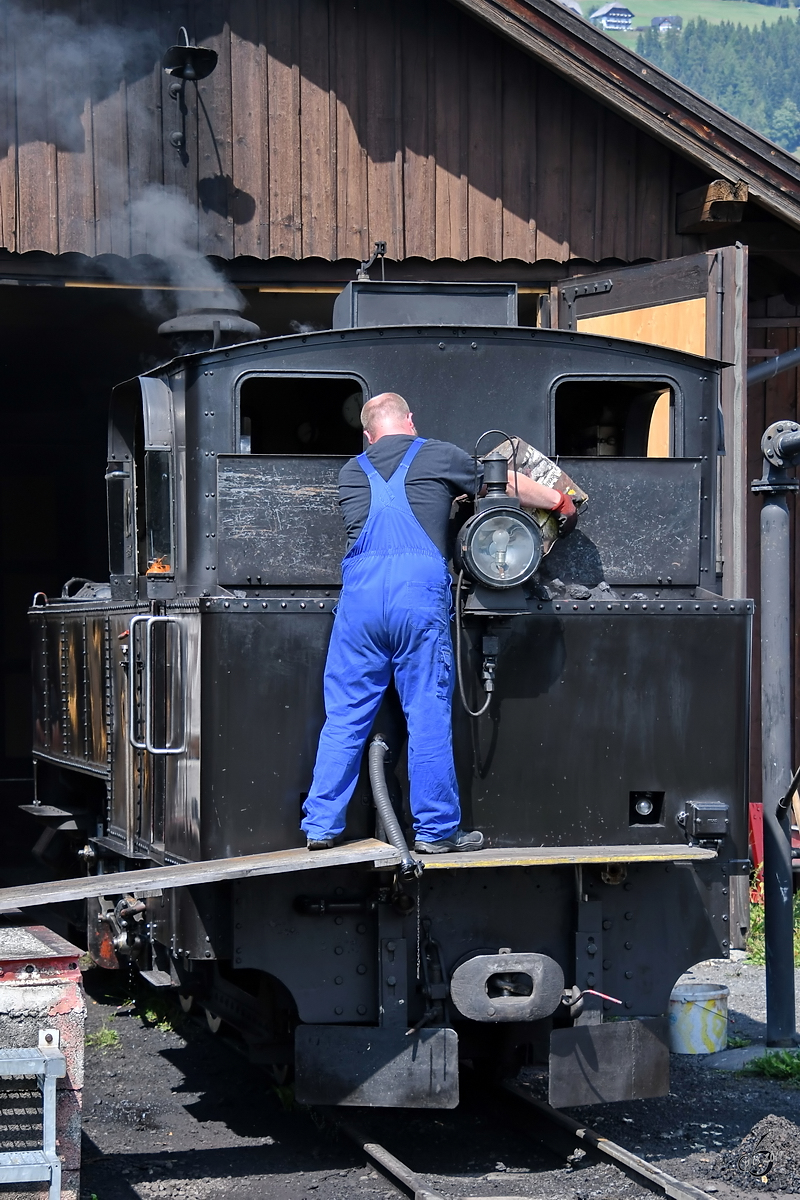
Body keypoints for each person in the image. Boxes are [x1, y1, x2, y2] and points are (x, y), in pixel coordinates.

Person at [300, 392, 575, 854]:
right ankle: (435, 832)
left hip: (360, 605)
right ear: (410, 422)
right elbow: (502, 482)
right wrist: (559, 501)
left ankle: (321, 826)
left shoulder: (351, 471)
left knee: (344, 718)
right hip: (416, 599)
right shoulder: (436, 454)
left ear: (368, 435)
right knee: (425, 715)